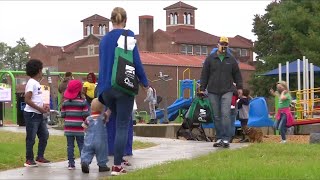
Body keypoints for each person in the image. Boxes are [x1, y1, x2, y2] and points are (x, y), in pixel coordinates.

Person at [97, 7, 149, 176]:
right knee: (122, 126)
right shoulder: (127, 36)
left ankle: (115, 157)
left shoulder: (103, 40)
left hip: (105, 90)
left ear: (111, 21)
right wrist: (145, 83)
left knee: (114, 120)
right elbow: (136, 62)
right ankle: (117, 165)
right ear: (125, 20)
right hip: (122, 86)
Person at [199, 36, 243, 148]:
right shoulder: (210, 59)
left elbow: (237, 74)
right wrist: (202, 88)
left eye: (225, 44)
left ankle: (226, 138)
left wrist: (239, 87)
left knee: (225, 114)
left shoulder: (231, 60)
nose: (223, 46)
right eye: (221, 44)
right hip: (213, 90)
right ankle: (219, 138)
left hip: (227, 90)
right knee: (216, 115)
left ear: (227, 46)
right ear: (217, 44)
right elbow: (204, 74)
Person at [23, 59, 50, 167]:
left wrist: (43, 106)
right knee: (31, 138)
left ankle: (40, 157)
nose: (42, 71)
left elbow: (36, 98)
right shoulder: (31, 83)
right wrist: (40, 109)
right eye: (42, 69)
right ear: (39, 70)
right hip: (31, 115)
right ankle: (29, 159)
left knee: (44, 135)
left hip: (39, 114)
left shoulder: (37, 83)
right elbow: (27, 99)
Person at [60, 79, 90, 170]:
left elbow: (63, 115)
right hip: (79, 128)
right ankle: (84, 162)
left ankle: (71, 164)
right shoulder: (83, 102)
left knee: (70, 146)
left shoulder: (65, 102)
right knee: (81, 145)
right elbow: (85, 115)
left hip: (69, 128)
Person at [81, 98, 110, 173]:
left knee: (87, 152)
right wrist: (110, 108)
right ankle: (102, 165)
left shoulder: (88, 118)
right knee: (102, 152)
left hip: (89, 140)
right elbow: (108, 113)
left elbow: (84, 127)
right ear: (102, 108)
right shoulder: (103, 117)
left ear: (91, 107)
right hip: (100, 140)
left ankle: (85, 162)